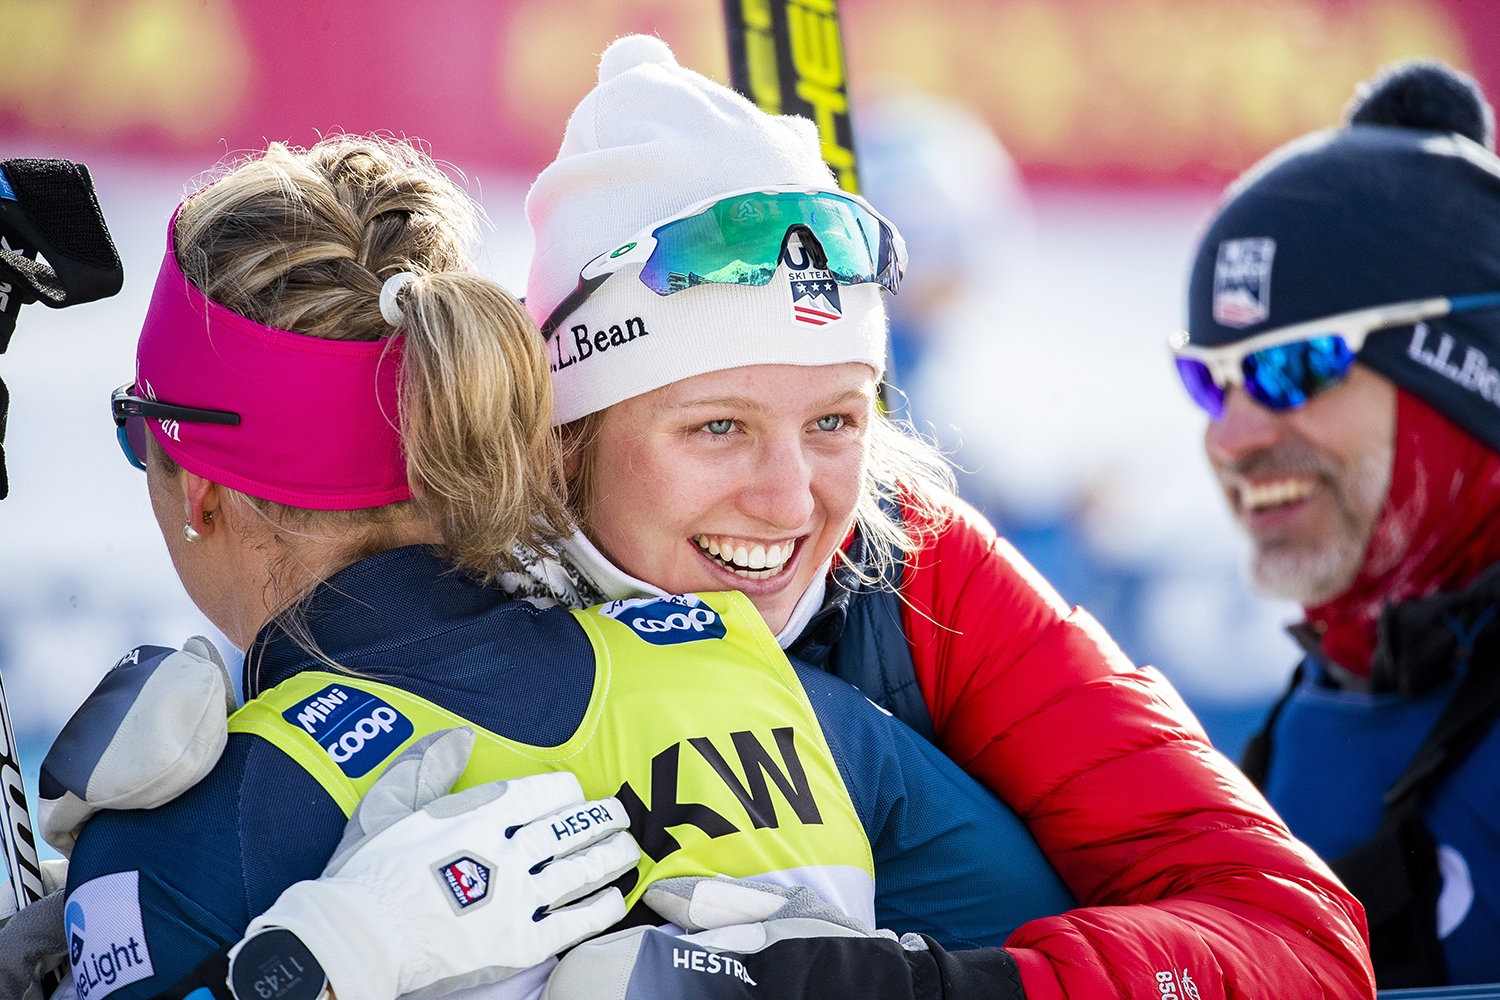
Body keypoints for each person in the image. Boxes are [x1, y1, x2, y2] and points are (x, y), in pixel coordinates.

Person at [40, 134, 1081, 1000]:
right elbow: (1059, 944)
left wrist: (158, 927)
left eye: (142, 439)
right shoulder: (753, 677)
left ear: (200, 487)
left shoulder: (204, 821)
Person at [1172, 59, 1500, 990]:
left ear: (1463, 375)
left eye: (1292, 365)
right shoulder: (1322, 703)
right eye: (1209, 378)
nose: (1229, 436)